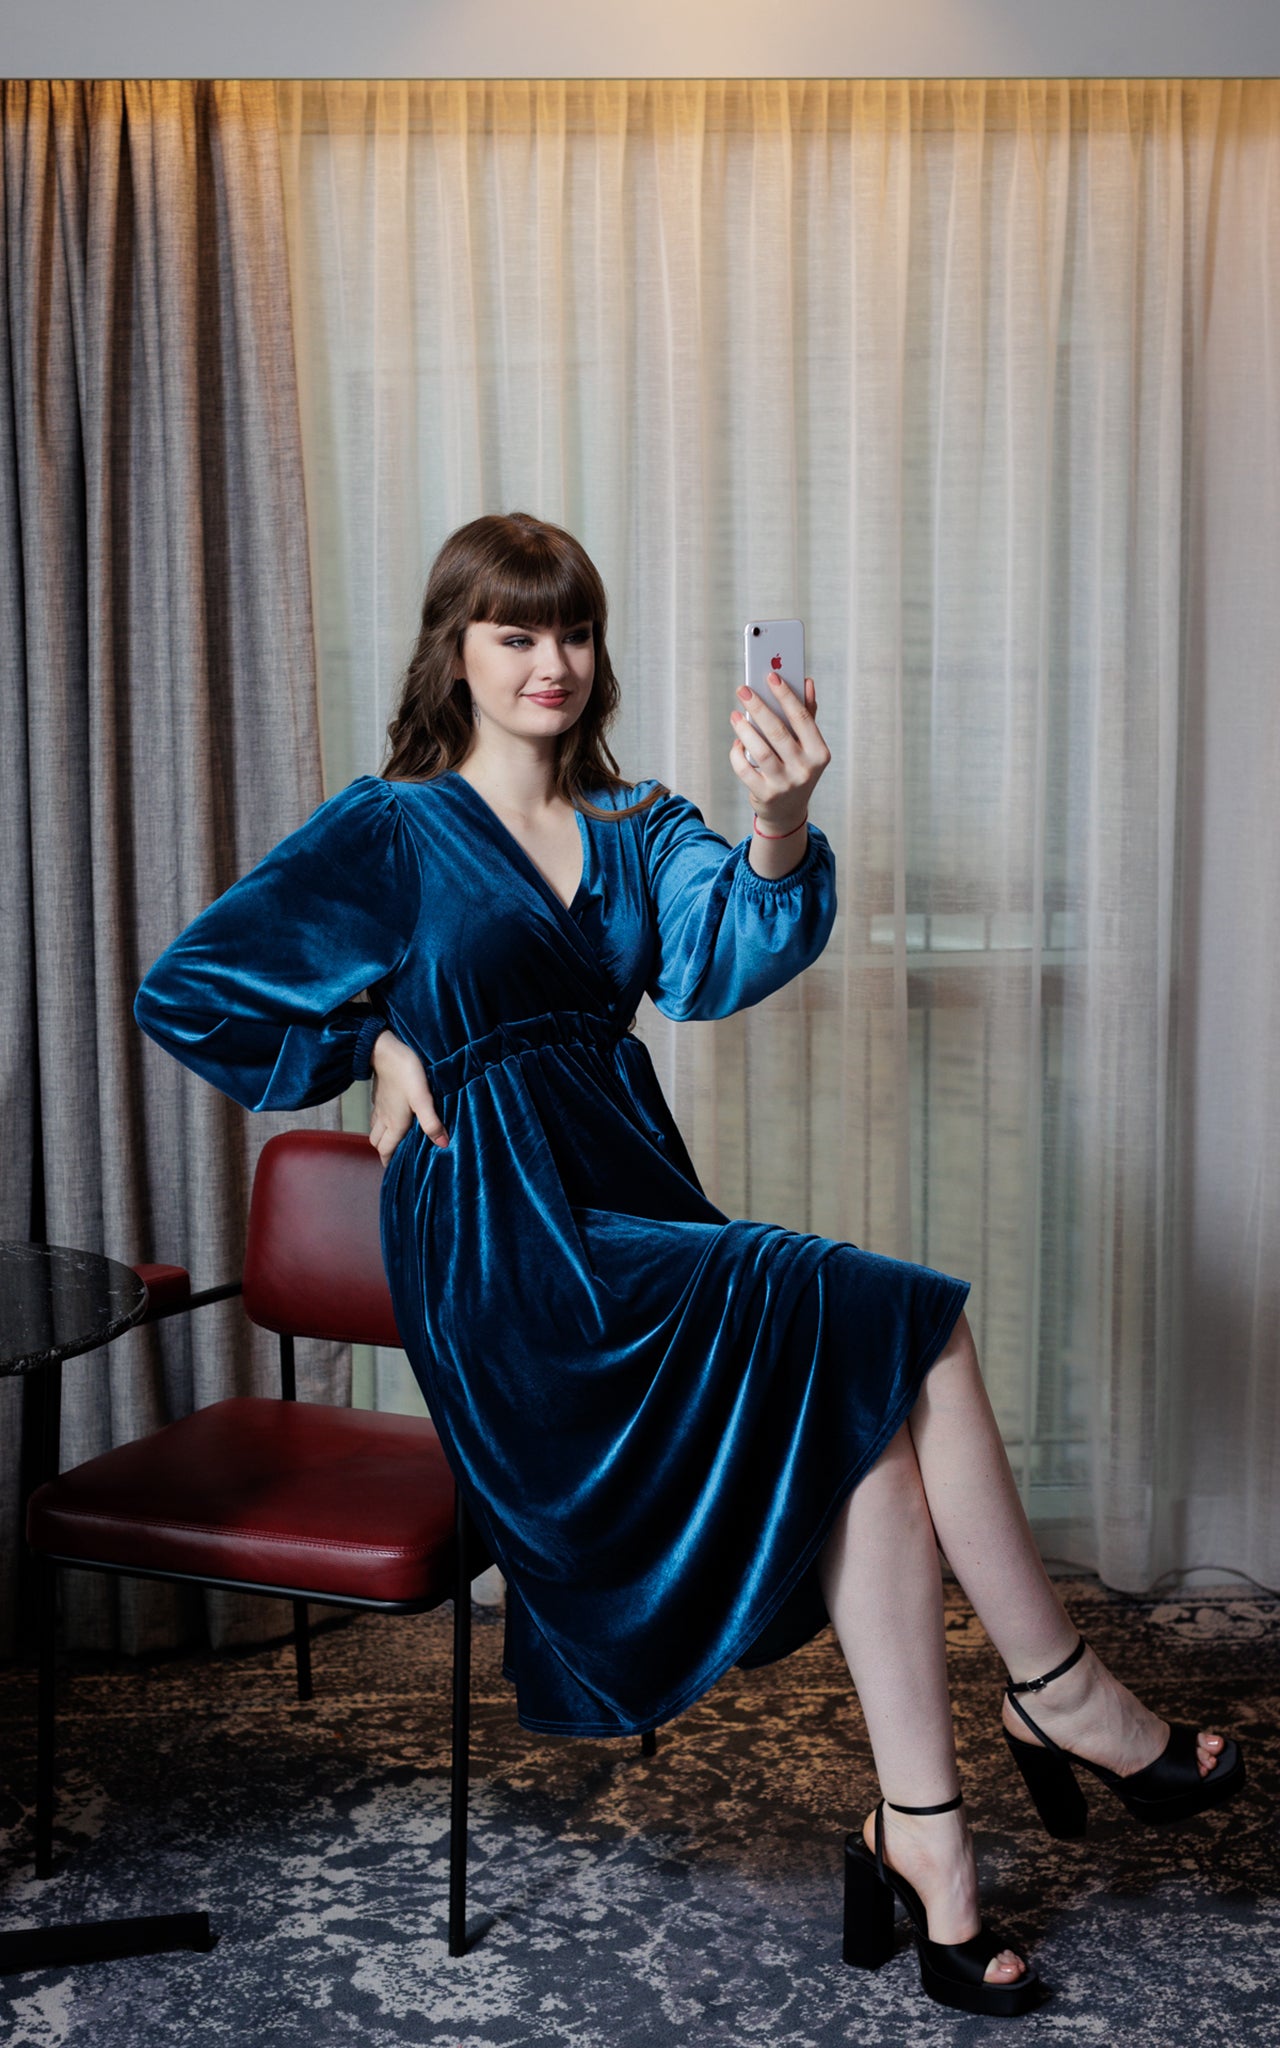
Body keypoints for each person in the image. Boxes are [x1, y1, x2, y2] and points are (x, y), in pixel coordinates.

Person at [135, 511, 1244, 2018]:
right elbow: (187, 988)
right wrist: (376, 1041)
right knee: (895, 1323)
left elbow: (729, 955)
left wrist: (776, 820)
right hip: (500, 1250)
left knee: (870, 1423)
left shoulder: (643, 827)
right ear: (453, 653)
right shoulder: (386, 831)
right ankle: (1065, 1703)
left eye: (573, 631)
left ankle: (929, 1842)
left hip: (632, 1203)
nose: (551, 662)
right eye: (514, 633)